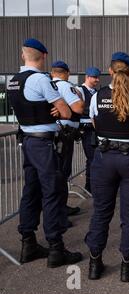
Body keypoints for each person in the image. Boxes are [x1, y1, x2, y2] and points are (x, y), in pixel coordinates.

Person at [7, 38, 83, 268]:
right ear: (44, 56)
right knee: (52, 192)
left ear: (23, 56)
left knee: (31, 191)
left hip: (28, 141)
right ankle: (55, 248)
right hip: (43, 143)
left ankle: (28, 243)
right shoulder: (40, 79)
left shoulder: (13, 81)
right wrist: (62, 110)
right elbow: (67, 113)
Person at [85, 52, 129, 282]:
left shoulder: (97, 97)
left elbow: (95, 125)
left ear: (110, 71)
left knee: (101, 212)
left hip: (103, 159)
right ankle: (127, 267)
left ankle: (94, 265)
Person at [51, 61, 85, 222]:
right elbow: (78, 108)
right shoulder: (65, 86)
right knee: (62, 173)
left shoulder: (48, 84)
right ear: (67, 72)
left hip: (52, 134)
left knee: (56, 173)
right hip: (64, 135)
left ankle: (58, 210)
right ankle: (60, 213)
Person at [76, 67, 100, 193]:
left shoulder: (96, 92)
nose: (97, 79)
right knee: (92, 158)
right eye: (94, 77)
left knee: (95, 158)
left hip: (95, 129)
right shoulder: (80, 90)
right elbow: (78, 109)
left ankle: (93, 184)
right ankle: (90, 186)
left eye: (97, 77)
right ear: (87, 76)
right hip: (86, 129)